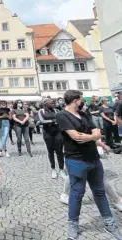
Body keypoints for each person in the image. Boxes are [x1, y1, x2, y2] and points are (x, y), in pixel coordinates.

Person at [55, 90, 122, 240]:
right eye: (80, 99)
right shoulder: (62, 115)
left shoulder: (84, 114)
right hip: (76, 160)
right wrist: (94, 136)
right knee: (77, 194)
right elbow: (76, 137)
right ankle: (73, 225)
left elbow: (94, 133)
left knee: (99, 192)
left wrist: (96, 140)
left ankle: (109, 223)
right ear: (75, 100)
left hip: (94, 159)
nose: (82, 101)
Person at [39, 98, 66, 179]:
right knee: (50, 151)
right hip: (47, 133)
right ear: (45, 104)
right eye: (51, 103)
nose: (53, 104)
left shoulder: (56, 111)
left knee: (59, 151)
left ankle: (61, 169)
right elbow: (42, 121)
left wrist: (54, 121)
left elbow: (60, 120)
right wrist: (53, 121)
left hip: (57, 132)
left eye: (53, 103)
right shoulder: (41, 111)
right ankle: (53, 168)